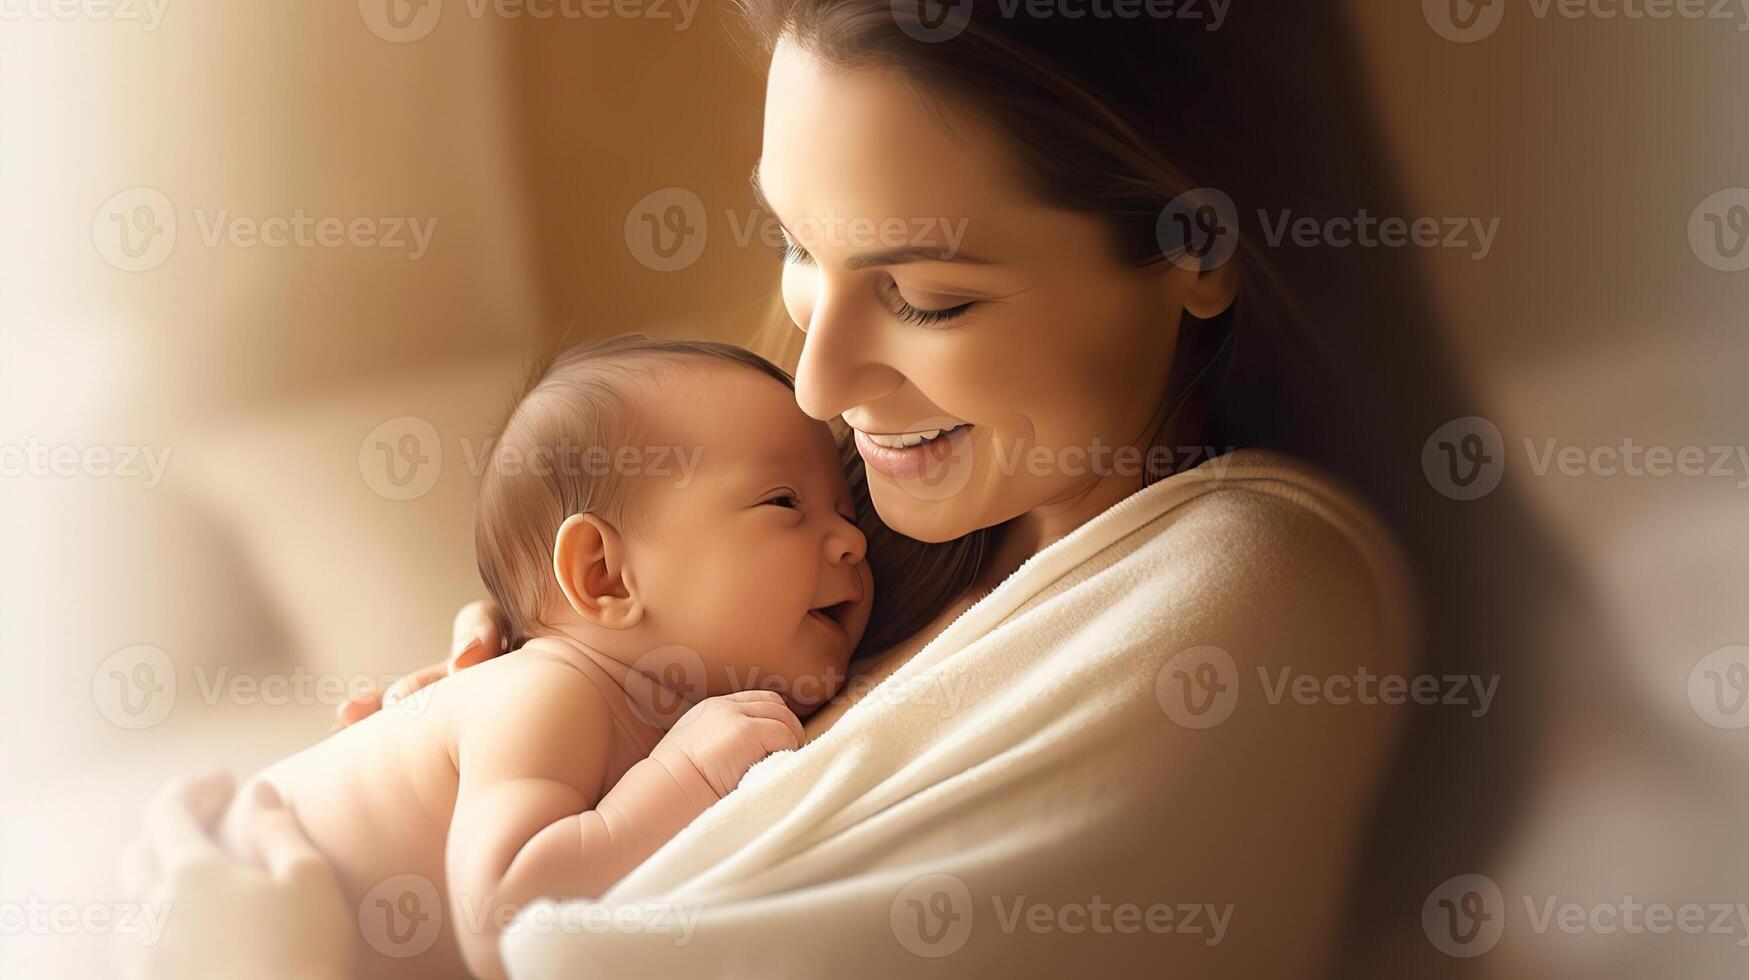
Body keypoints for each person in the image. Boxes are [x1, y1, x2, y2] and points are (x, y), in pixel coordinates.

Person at [119, 4, 1566, 977]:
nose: (815, 380)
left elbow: (573, 944)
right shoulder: (873, 537)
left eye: (928, 299)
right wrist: (551, 702)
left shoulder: (1257, 591)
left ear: (1195, 245)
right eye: (798, 249)